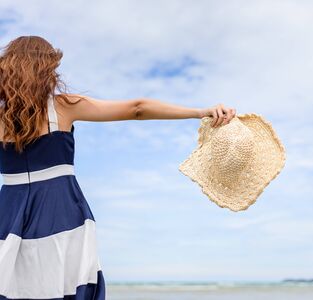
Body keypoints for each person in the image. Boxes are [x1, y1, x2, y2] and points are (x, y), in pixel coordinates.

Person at [0, 35, 236, 299]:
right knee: (66, 286)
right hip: (60, 210)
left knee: (14, 285)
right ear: (45, 70)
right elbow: (137, 108)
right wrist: (200, 111)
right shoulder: (63, 107)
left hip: (10, 211)